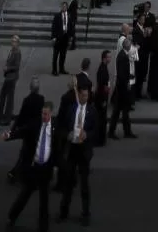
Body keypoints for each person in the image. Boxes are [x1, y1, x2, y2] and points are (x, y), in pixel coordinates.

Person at [7, 101, 56, 232]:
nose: (44, 116)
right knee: (26, 194)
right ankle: (12, 215)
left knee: (44, 200)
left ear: (51, 113)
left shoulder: (54, 128)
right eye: (43, 113)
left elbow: (57, 148)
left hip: (45, 169)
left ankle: (43, 226)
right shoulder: (35, 125)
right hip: (34, 168)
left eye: (46, 114)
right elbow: (22, 132)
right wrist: (9, 135)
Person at [58, 81, 96, 227]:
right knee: (68, 182)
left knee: (84, 185)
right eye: (84, 95)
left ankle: (86, 214)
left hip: (84, 150)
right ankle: (63, 212)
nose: (86, 97)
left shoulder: (92, 111)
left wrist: (88, 135)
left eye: (87, 95)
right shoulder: (71, 109)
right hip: (73, 149)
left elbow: (96, 132)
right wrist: (67, 134)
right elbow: (62, 127)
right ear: (79, 95)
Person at [9, 78, 45, 182]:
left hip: (28, 129)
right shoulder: (41, 99)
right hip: (36, 129)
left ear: (30, 88)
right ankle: (21, 173)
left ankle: (17, 173)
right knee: (31, 153)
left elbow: (21, 116)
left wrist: (14, 128)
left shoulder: (27, 100)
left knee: (25, 153)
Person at [108, 38, 135, 139]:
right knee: (119, 111)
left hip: (122, 87)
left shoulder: (123, 55)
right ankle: (114, 131)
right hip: (122, 88)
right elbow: (121, 73)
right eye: (130, 45)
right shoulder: (123, 56)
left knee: (124, 111)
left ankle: (126, 131)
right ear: (127, 46)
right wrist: (127, 81)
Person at [0, 33, 23, 125]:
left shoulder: (17, 52)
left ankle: (7, 118)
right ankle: (0, 115)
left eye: (14, 41)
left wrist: (7, 68)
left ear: (18, 43)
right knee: (3, 96)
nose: (12, 42)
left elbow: (16, 66)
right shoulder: (12, 50)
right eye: (12, 41)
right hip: (8, 76)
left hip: (12, 77)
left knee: (9, 99)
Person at [94, 50, 111, 146]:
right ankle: (100, 139)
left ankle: (100, 138)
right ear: (104, 58)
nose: (110, 59)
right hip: (101, 99)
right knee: (101, 119)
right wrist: (104, 100)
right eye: (109, 57)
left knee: (101, 118)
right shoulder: (102, 70)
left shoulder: (103, 68)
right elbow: (101, 86)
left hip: (101, 97)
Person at [51, 1, 70, 77]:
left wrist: (70, 35)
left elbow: (71, 26)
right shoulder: (57, 16)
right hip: (58, 38)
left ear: (67, 7)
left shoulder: (69, 15)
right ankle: (54, 70)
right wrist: (53, 37)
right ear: (61, 7)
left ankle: (61, 69)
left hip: (65, 38)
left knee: (63, 55)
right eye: (62, 6)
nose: (64, 8)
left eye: (65, 6)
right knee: (55, 55)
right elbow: (53, 27)